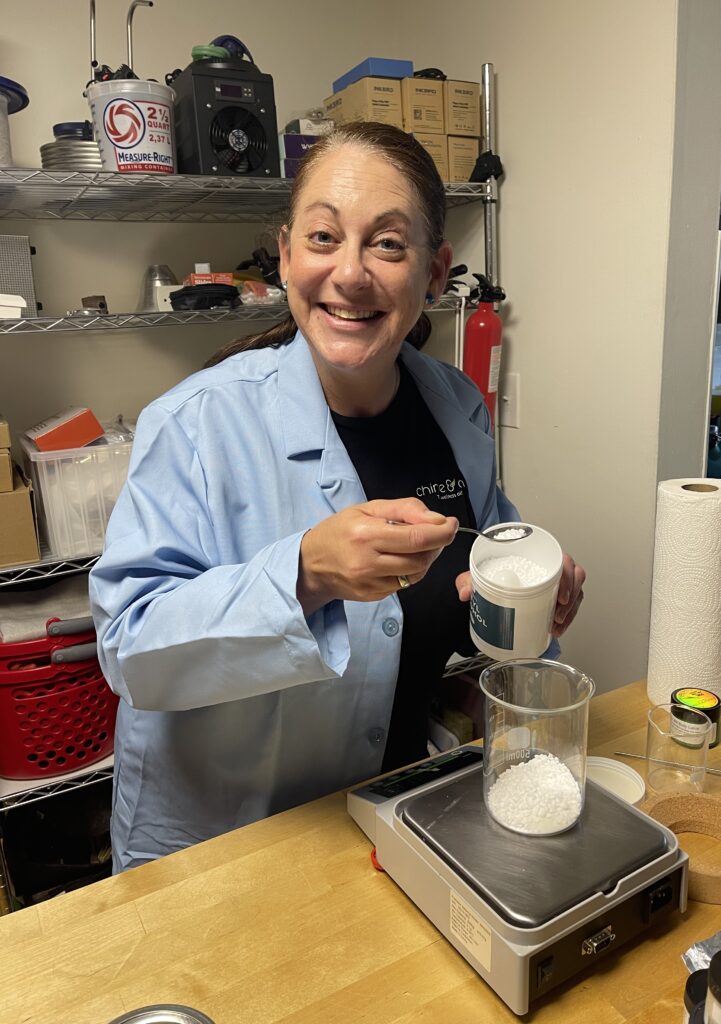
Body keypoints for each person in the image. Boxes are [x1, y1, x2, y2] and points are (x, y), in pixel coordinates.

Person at [90, 121, 586, 872]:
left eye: (387, 244)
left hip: (388, 822)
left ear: (435, 272)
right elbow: (130, 650)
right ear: (287, 253)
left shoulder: (456, 408)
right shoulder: (195, 425)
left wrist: (528, 602)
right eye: (323, 237)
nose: (349, 274)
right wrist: (305, 575)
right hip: (219, 853)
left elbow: (479, 585)